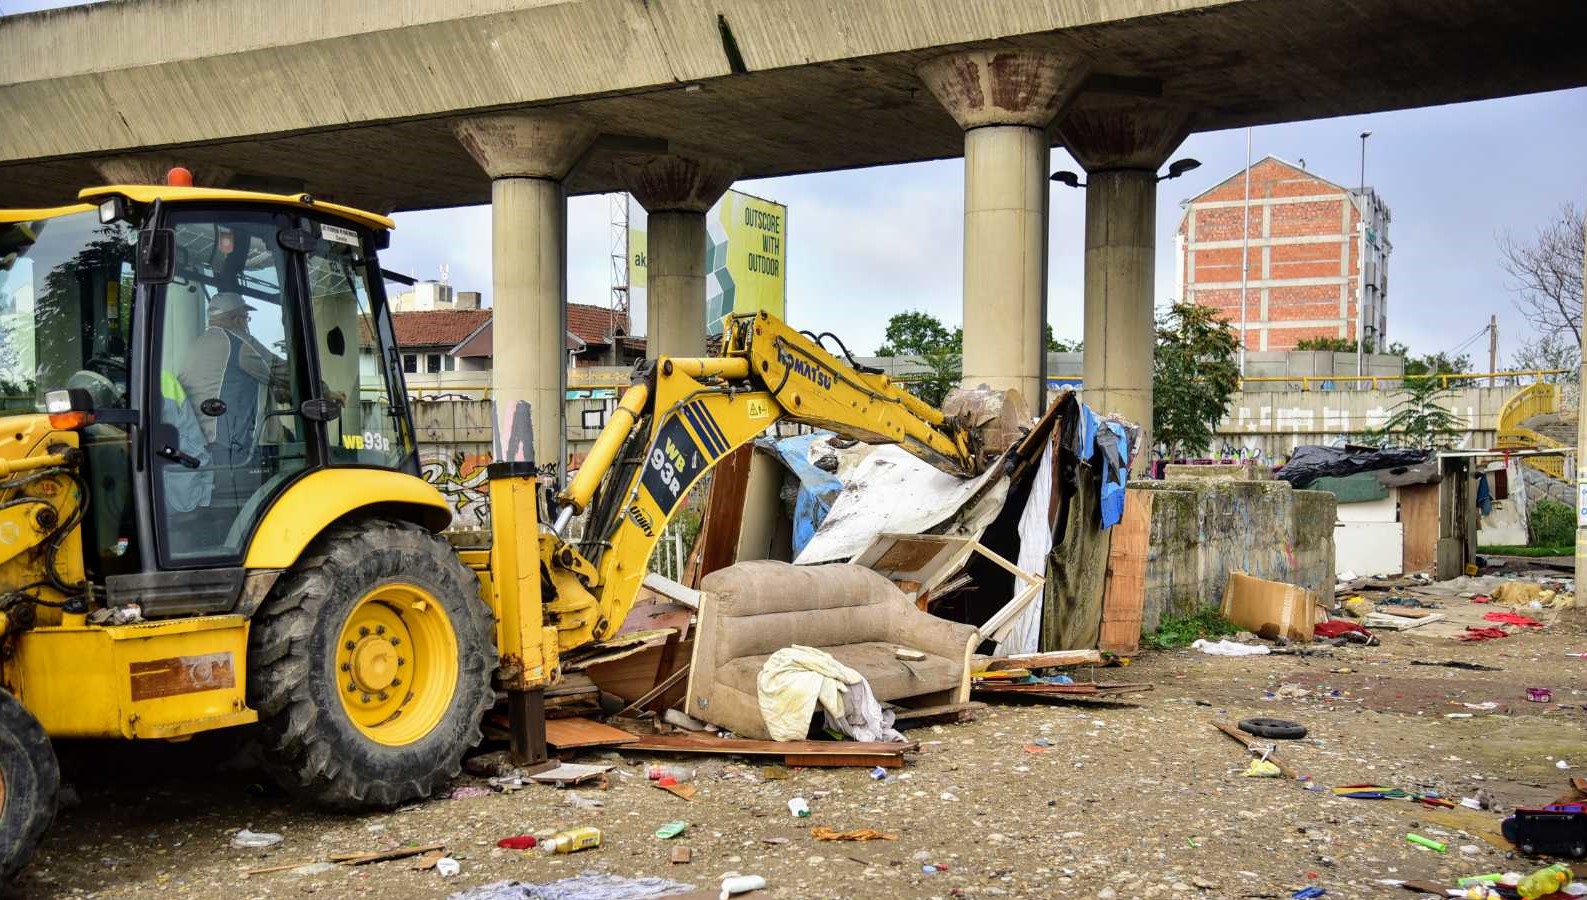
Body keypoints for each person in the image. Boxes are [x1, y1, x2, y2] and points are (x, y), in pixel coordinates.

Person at [177, 292, 287, 468]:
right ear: (236, 319)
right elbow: (281, 372)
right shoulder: (237, 343)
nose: (246, 323)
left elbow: (229, 382)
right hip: (234, 448)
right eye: (246, 318)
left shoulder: (196, 345)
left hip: (197, 444)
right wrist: (322, 389)